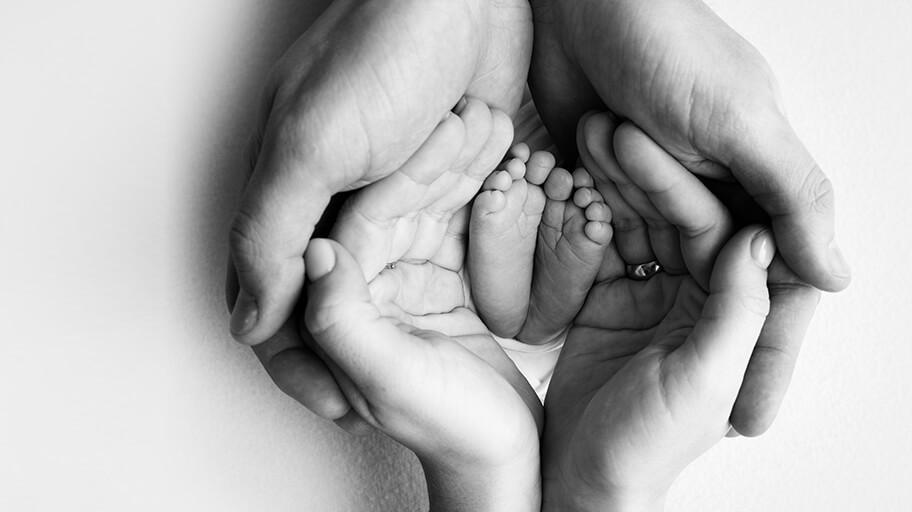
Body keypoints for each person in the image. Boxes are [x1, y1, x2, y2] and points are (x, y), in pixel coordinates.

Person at [228, 0, 847, 438]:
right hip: (603, 255)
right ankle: (525, 297)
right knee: (537, 223)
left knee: (502, 204)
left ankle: (523, 291)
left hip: (426, 224)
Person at [300, 109, 779, 510]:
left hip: (474, 307)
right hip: (558, 326)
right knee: (530, 163)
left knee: (486, 153)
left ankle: (526, 319)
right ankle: (531, 323)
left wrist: (488, 473)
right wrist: (585, 489)